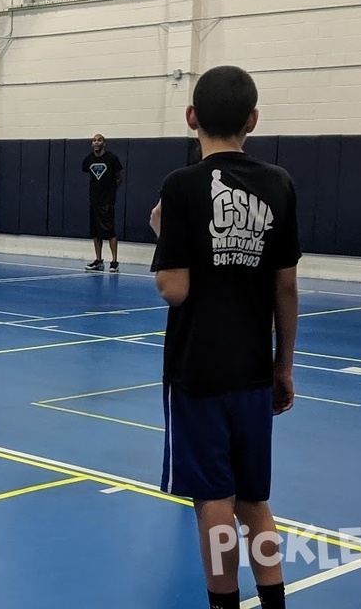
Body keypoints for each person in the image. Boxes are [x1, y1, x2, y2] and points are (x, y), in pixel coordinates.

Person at [148, 65, 300, 609]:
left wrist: (164, 233)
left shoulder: (182, 186)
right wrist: (283, 366)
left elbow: (174, 289)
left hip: (197, 369)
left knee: (213, 497)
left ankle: (223, 604)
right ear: (252, 121)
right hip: (254, 367)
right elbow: (286, 286)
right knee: (254, 499)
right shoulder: (279, 184)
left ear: (192, 117)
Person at [82, 133, 123, 272]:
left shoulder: (112, 159)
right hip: (94, 200)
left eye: (99, 140)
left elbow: (119, 178)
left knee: (110, 231)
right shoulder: (88, 160)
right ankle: (99, 261)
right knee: (95, 233)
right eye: (94, 140)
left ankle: (114, 262)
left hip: (107, 202)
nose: (96, 142)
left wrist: (110, 193)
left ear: (104, 143)